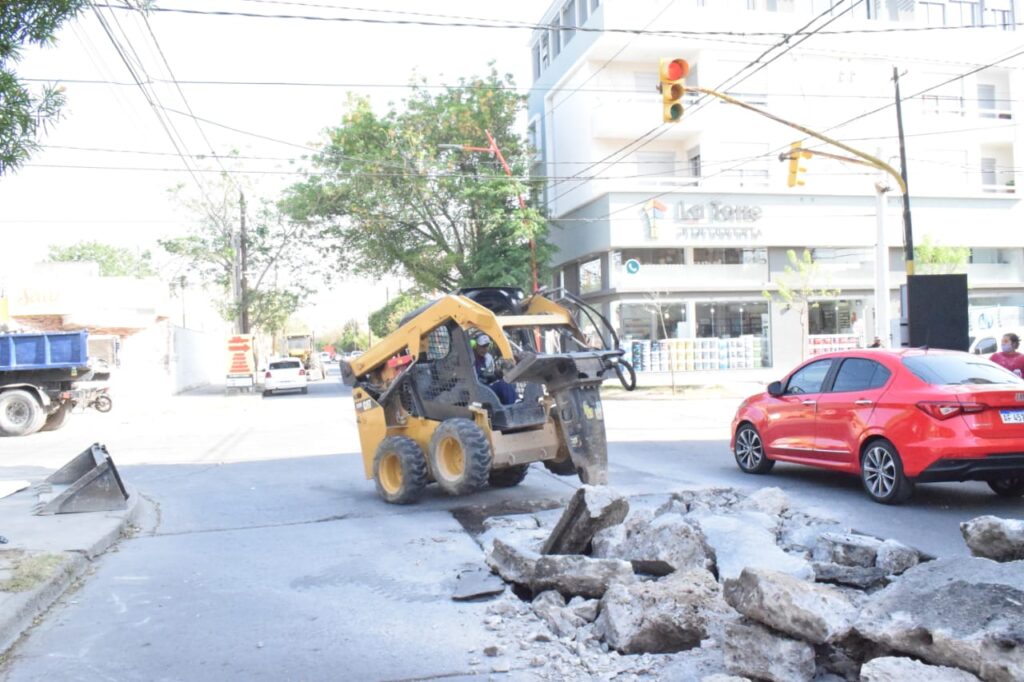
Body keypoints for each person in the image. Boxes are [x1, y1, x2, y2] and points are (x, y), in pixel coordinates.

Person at [472, 334, 517, 405]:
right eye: (482, 346)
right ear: (476, 345)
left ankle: (513, 404)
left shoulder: (488, 358)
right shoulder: (470, 358)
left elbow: (491, 374)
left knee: (508, 383)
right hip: (477, 389)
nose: (485, 349)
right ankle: (511, 408)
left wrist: (498, 374)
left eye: (487, 346)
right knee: (503, 385)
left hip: (487, 386)